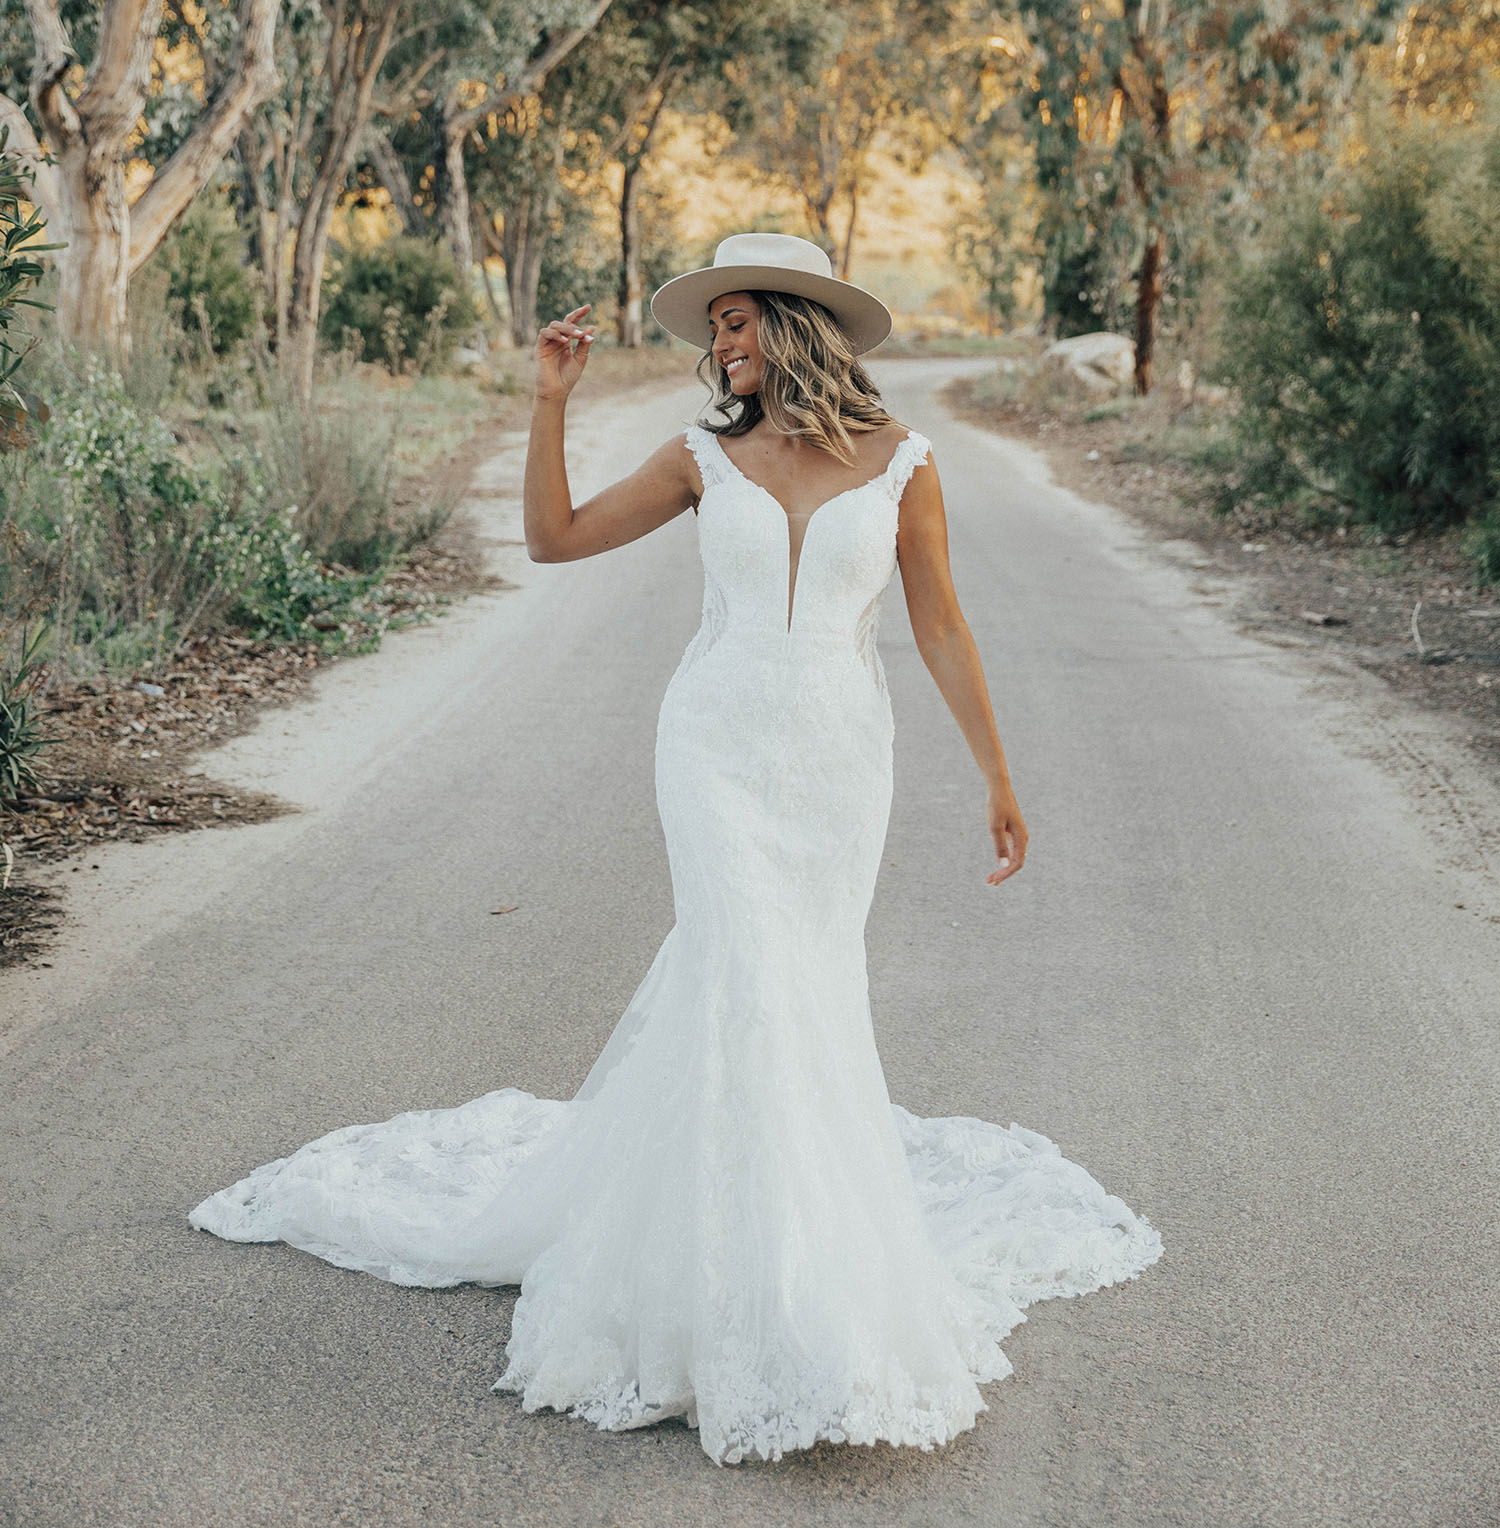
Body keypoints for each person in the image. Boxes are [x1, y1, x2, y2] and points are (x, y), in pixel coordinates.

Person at [188, 232, 1163, 1466]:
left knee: (803, 992)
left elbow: (942, 624)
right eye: (717, 327)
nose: (722, 344)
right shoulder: (703, 458)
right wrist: (550, 404)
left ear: (801, 325)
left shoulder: (904, 462)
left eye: (741, 321)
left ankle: (792, 1257)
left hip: (837, 765)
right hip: (714, 750)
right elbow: (555, 536)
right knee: (745, 973)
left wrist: (999, 775)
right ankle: (735, 1296)